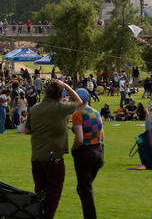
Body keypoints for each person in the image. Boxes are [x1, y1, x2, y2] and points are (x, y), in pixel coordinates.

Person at [24, 79, 83, 219]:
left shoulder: (35, 108)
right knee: (53, 196)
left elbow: (27, 130)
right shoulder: (60, 107)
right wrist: (67, 85)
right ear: (60, 95)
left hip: (37, 158)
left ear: (45, 92)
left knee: (39, 194)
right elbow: (79, 102)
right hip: (54, 159)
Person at [71, 89, 104, 219]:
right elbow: (101, 134)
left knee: (85, 191)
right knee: (83, 188)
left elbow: (79, 139)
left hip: (85, 153)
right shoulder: (96, 113)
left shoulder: (78, 115)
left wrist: (74, 148)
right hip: (98, 151)